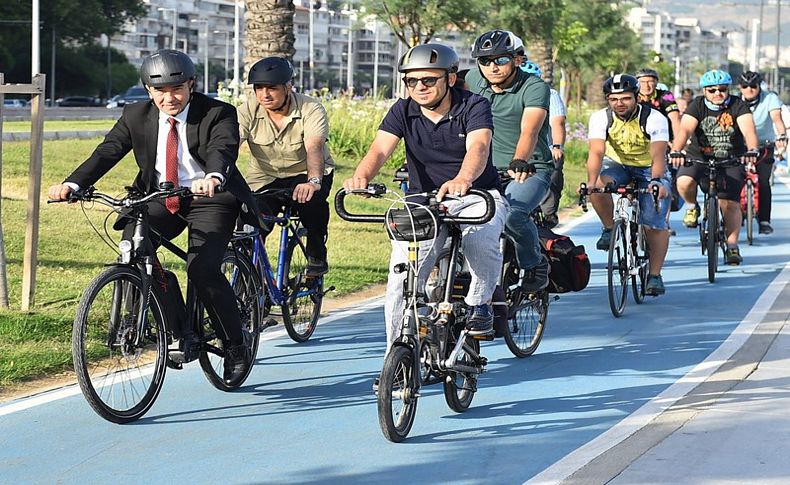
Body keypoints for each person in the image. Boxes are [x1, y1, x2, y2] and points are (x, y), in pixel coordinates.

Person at [47, 49, 261, 384]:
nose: (169, 98)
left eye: (177, 89)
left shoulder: (217, 112)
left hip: (211, 197)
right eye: (159, 91)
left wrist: (215, 176)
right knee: (133, 248)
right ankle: (177, 332)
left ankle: (236, 344)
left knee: (202, 269)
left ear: (191, 85)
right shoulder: (135, 114)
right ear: (149, 91)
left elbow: (223, 149)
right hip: (161, 196)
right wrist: (73, 184)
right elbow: (107, 151)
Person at [342, 43, 506, 347]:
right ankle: (398, 356)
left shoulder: (474, 105)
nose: (419, 87)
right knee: (400, 280)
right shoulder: (402, 110)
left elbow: (479, 146)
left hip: (476, 195)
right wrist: (362, 176)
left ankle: (479, 303)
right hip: (424, 200)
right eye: (411, 81)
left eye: (429, 80)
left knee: (480, 239)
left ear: (450, 79)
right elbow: (380, 149)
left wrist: (463, 178)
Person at [465, 29, 553, 293]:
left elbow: (530, 130)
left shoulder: (534, 87)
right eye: (485, 60)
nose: (492, 67)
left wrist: (519, 160)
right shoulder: (472, 79)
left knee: (513, 215)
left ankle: (535, 263)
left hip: (529, 168)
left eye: (501, 59)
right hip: (483, 169)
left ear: (517, 59)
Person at [237, 56, 335, 275]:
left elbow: (314, 147)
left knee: (312, 205)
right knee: (249, 220)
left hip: (305, 172)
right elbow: (230, 145)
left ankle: (317, 255)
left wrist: (313, 182)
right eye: (259, 88)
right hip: (265, 176)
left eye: (272, 88)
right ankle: (252, 279)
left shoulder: (310, 108)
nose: (265, 94)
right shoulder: (246, 111)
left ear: (288, 87)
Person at [586, 74, 672, 296]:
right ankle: (608, 228)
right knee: (597, 187)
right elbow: (596, 151)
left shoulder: (654, 118)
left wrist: (655, 181)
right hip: (618, 165)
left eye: (625, 98)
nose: (619, 104)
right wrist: (590, 181)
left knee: (654, 222)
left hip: (649, 168)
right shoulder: (600, 118)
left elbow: (659, 155)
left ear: (636, 97)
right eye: (613, 99)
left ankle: (654, 275)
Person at [670, 69, 759, 265]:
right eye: (712, 90)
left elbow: (749, 130)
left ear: (728, 89)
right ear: (704, 91)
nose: (717, 93)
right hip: (698, 158)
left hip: (730, 160)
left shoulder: (738, 105)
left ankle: (732, 246)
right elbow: (685, 129)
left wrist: (752, 149)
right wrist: (676, 150)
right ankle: (692, 207)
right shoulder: (697, 105)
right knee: (683, 182)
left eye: (722, 89)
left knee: (730, 203)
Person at [737, 71, 787, 234]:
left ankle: (764, 220)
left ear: (759, 87)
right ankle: (734, 215)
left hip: (764, 145)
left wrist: (781, 135)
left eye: (753, 86)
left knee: (764, 182)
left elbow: (777, 119)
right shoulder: (735, 101)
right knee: (733, 180)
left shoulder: (769, 98)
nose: (749, 89)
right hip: (740, 146)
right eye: (745, 86)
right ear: (740, 87)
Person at [521, 60, 566, 229]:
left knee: (553, 170)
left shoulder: (550, 94)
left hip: (544, 149)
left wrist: (557, 146)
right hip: (515, 149)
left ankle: (549, 213)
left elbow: (558, 122)